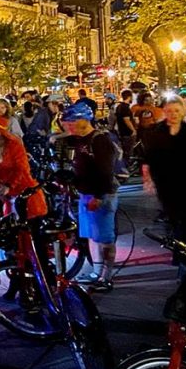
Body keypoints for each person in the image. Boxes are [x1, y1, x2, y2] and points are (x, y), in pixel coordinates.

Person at [58, 103, 120, 292]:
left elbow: (106, 171)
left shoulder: (99, 140)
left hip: (100, 195)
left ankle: (106, 276)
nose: (67, 127)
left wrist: (99, 196)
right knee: (92, 237)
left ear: (84, 120)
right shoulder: (78, 139)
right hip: (86, 194)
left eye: (70, 122)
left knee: (104, 237)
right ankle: (96, 271)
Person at [0, 115, 48, 220]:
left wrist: (9, 185)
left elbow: (21, 169)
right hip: (5, 198)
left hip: (24, 196)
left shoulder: (14, 146)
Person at [143, 96, 186, 261]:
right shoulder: (156, 132)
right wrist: (147, 179)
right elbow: (148, 158)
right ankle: (178, 250)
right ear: (164, 112)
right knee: (173, 217)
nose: (173, 114)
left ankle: (184, 252)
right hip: (165, 183)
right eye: (169, 111)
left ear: (183, 112)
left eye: (177, 111)